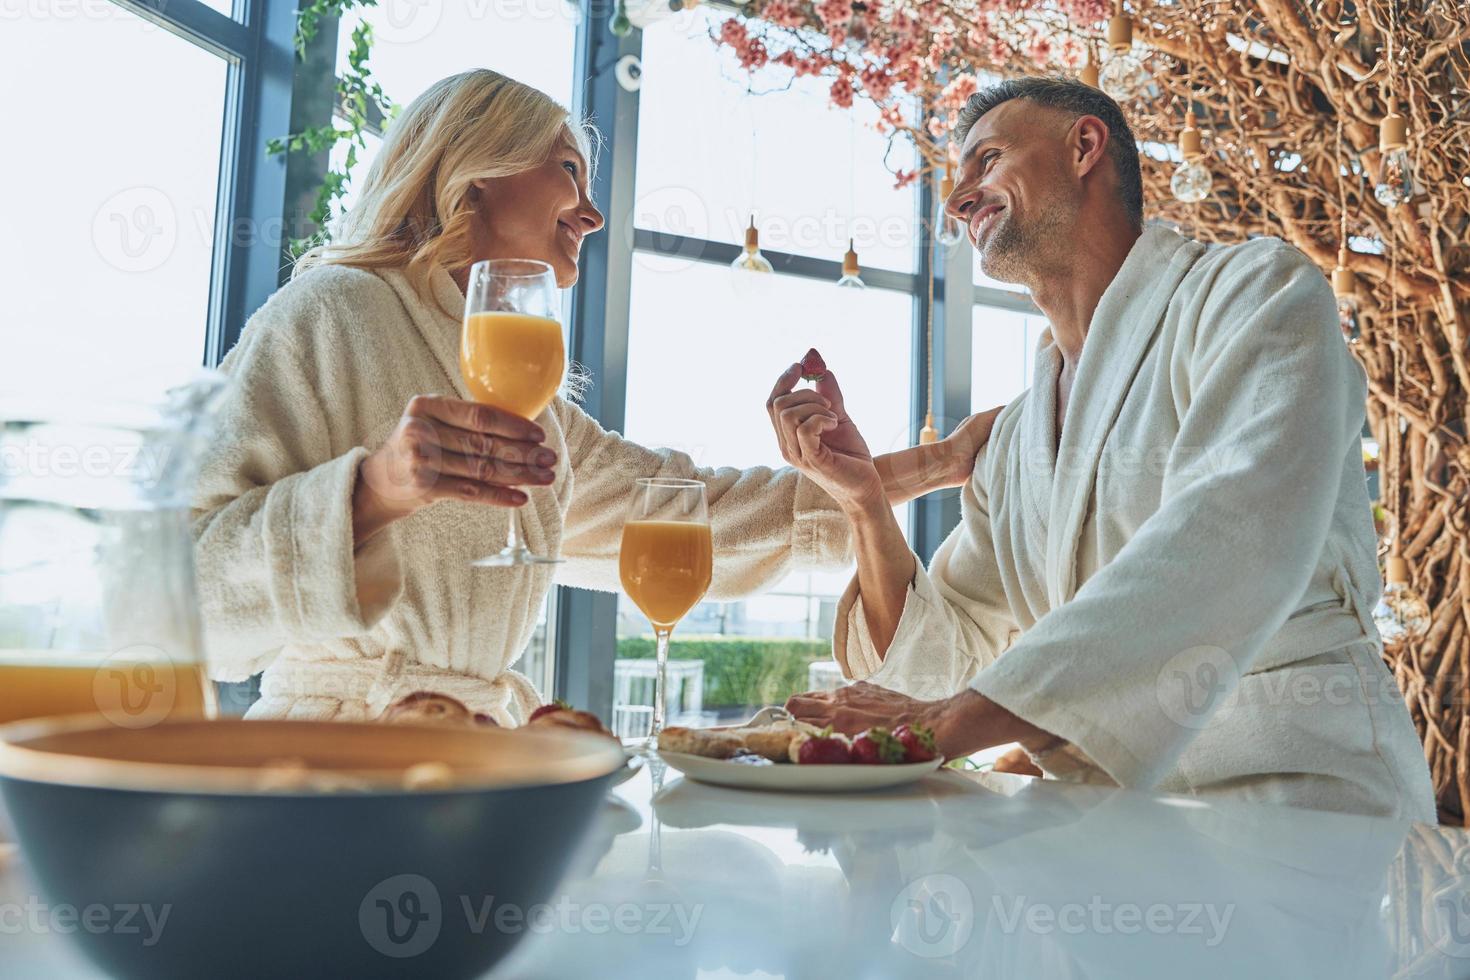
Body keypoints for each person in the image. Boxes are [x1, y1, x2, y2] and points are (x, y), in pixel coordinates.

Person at [192, 69, 984, 725]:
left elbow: (689, 511)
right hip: (332, 755)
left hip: (477, 754)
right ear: (475, 168)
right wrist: (371, 494)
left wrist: (937, 464)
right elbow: (184, 586)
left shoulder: (527, 404)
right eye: (569, 170)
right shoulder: (332, 309)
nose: (595, 213)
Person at [774, 77, 1435, 822]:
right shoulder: (1020, 435)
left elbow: (1239, 527)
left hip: (1298, 796)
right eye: (956, 182)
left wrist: (955, 723)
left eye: (985, 161)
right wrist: (865, 506)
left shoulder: (1254, 294)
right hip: (1116, 830)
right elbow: (943, 659)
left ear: (1085, 146)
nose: (959, 199)